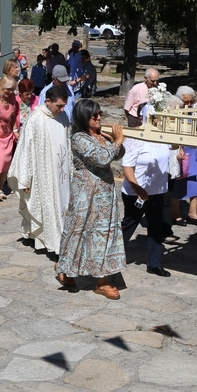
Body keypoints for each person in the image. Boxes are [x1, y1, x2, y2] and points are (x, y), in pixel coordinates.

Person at [56, 99, 126, 298]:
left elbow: (117, 155)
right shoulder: (79, 138)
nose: (98, 118)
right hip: (86, 196)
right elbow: (101, 158)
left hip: (104, 195)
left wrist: (114, 141)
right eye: (94, 115)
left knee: (102, 235)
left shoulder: (99, 135)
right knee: (78, 232)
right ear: (83, 117)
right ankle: (67, 270)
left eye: (99, 114)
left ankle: (101, 280)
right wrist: (118, 142)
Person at [9, 85, 71, 256]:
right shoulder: (35, 119)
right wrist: (26, 178)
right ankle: (51, 240)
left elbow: (67, 140)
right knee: (45, 205)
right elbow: (26, 149)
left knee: (62, 205)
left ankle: (62, 237)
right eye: (59, 105)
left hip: (61, 173)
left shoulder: (63, 116)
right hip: (42, 173)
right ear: (48, 101)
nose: (62, 109)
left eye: (64, 105)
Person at [121, 104, 174, 278]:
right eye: (157, 117)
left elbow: (175, 145)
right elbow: (127, 166)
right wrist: (137, 187)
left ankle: (155, 263)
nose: (160, 121)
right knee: (130, 223)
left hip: (158, 190)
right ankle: (111, 254)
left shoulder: (163, 135)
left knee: (156, 227)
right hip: (136, 191)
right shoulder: (136, 137)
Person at [170, 86, 197, 226]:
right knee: (178, 184)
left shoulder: (194, 111)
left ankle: (193, 213)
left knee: (196, 183)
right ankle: (175, 214)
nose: (189, 105)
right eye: (186, 102)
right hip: (181, 151)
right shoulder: (174, 111)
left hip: (193, 151)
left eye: (191, 102)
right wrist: (179, 147)